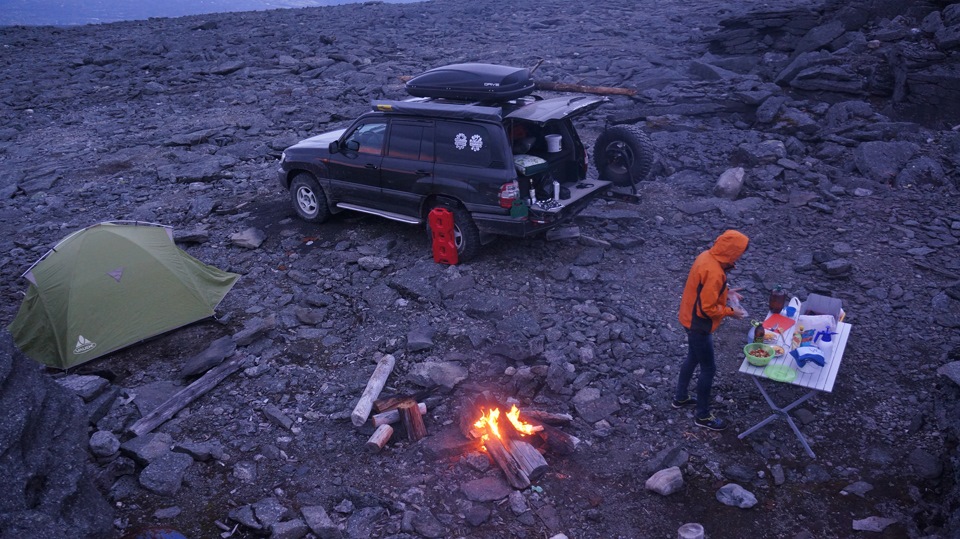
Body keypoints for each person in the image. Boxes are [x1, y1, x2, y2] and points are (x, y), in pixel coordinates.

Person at [673, 229, 749, 431]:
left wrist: (727, 292)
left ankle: (680, 397)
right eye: (739, 253)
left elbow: (703, 289)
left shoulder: (705, 256)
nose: (740, 257)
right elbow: (707, 308)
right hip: (699, 325)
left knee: (692, 357)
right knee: (709, 368)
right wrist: (731, 311)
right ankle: (703, 415)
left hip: (687, 317)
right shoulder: (715, 272)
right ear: (731, 252)